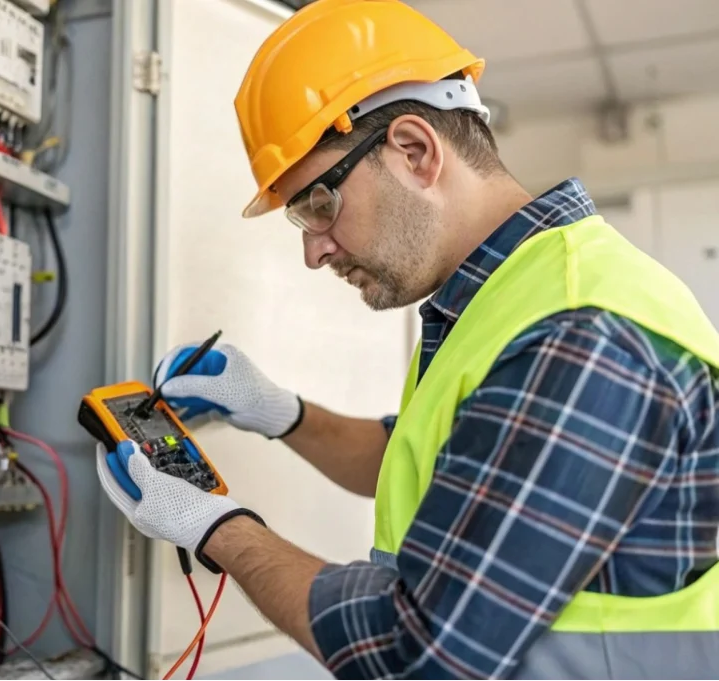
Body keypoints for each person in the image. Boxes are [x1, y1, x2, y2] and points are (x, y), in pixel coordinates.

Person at [95, 0, 719, 678]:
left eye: (319, 204)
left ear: (416, 152)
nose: (313, 251)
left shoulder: (579, 332)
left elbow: (417, 652)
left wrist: (217, 528)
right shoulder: (505, 295)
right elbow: (426, 461)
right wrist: (279, 411)